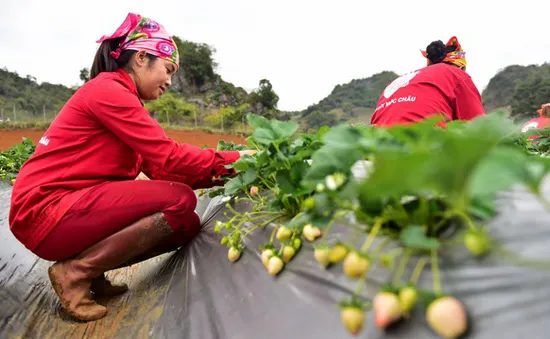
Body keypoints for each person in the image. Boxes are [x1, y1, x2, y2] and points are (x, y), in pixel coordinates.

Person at [8, 13, 254, 322]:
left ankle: (92, 270)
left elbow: (164, 170)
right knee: (179, 200)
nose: (169, 81)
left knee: (186, 224)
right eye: (168, 69)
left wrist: (231, 173)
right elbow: (171, 158)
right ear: (140, 58)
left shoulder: (124, 100)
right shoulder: (108, 91)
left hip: (67, 209)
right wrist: (241, 160)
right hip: (44, 211)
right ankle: (74, 274)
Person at [370, 36, 485, 127]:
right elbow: (479, 128)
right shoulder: (457, 75)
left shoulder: (396, 82)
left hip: (377, 148)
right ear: (460, 67)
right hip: (423, 147)